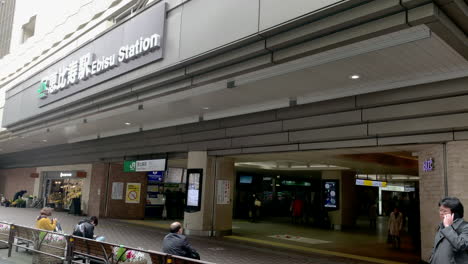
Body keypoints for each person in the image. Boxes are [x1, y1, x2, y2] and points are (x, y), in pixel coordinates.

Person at [429, 197, 468, 264]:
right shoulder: (442, 225)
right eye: (440, 210)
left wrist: (448, 227)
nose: (441, 213)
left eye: (445, 211)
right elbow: (436, 248)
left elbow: (462, 245)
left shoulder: (465, 227)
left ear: (454, 214)